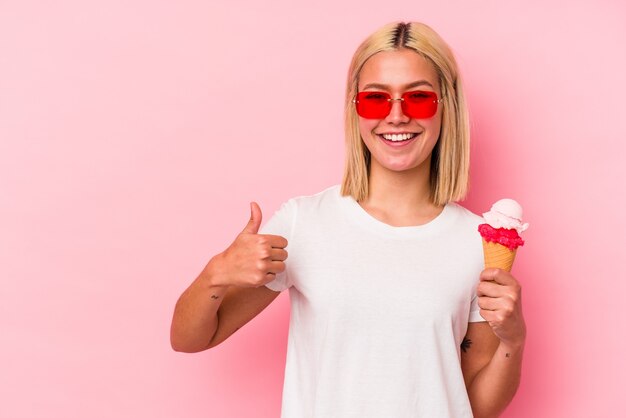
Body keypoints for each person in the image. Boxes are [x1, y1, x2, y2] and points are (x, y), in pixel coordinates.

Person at [170, 21, 526, 418]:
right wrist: (217, 273)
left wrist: (513, 338)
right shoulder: (304, 224)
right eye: (376, 99)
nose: (396, 116)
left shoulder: (475, 242)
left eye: (419, 98)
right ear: (355, 109)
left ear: (447, 107)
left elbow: (475, 406)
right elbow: (189, 339)